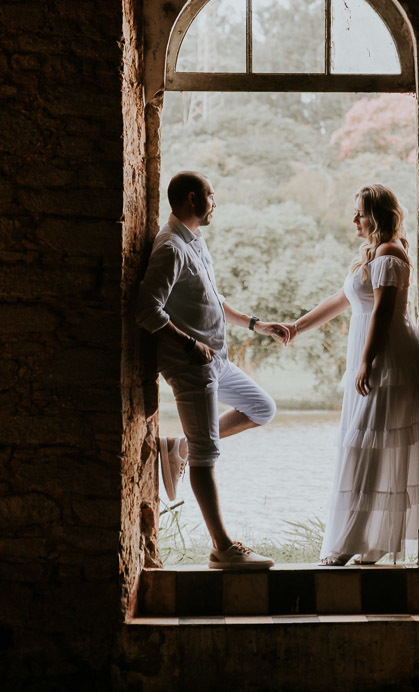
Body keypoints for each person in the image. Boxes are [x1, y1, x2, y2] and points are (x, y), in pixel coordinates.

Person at [136, 171, 290, 569]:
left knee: (263, 408)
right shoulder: (170, 247)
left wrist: (257, 325)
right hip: (190, 365)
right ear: (192, 198)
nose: (215, 202)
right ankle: (223, 548)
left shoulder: (195, 241)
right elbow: (146, 310)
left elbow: (213, 299)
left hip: (215, 361)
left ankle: (180, 447)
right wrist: (190, 344)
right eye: (211, 195)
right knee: (208, 456)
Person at [285, 184, 419, 566]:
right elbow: (339, 301)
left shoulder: (390, 252)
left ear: (377, 216)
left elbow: (382, 313)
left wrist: (367, 362)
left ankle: (355, 542)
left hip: (388, 360)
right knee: (365, 443)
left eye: (360, 213)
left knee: (369, 445)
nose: (354, 220)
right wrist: (296, 327)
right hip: (374, 356)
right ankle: (369, 542)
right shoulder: (369, 256)